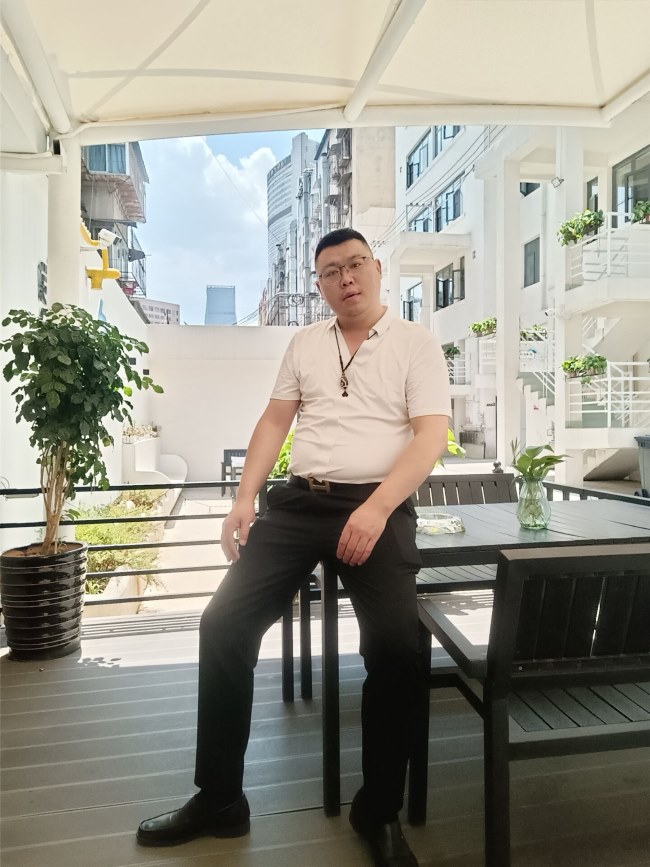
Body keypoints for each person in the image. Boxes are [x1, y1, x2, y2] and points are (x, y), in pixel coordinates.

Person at [136, 228, 452, 867]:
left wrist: (376, 508)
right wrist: (242, 499)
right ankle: (220, 798)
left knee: (397, 646)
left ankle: (378, 811)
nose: (346, 278)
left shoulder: (415, 343)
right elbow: (276, 420)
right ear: (320, 283)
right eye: (331, 271)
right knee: (223, 625)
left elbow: (430, 437)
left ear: (377, 268)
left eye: (355, 264)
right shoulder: (305, 342)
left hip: (378, 504)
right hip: (301, 502)